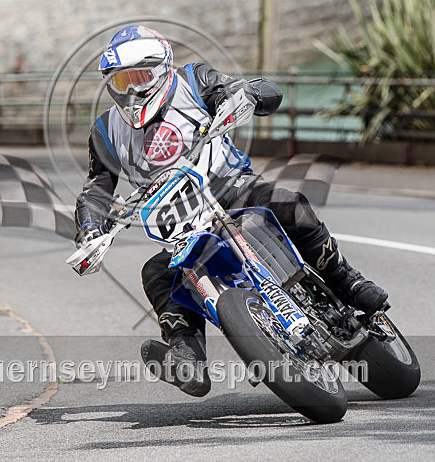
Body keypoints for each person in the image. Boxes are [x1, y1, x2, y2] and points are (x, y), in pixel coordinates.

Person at [74, 25, 389, 397]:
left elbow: (256, 91)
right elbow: (96, 188)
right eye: (119, 81)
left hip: (230, 187)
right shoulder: (104, 131)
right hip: (179, 221)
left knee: (288, 204)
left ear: (161, 69)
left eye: (137, 78)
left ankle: (346, 280)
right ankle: (186, 357)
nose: (129, 90)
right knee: (157, 273)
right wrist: (91, 231)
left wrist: (247, 93)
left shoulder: (195, 80)